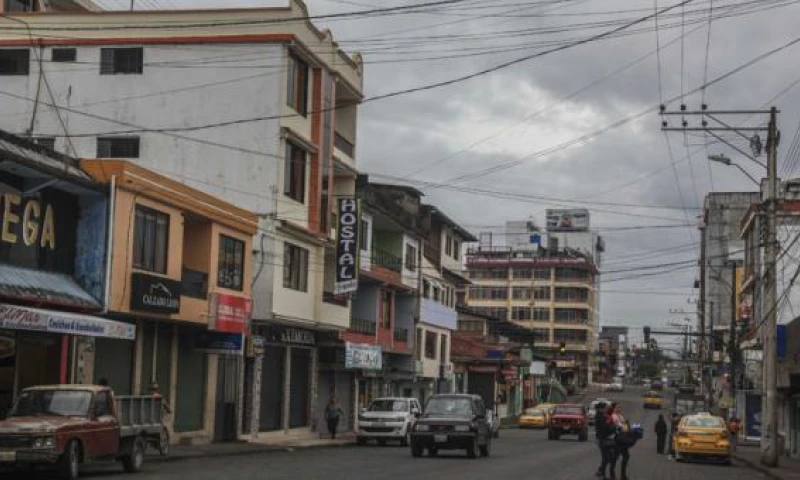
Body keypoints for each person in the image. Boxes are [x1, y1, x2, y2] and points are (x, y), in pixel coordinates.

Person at [608, 403, 631, 480]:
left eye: (620, 407)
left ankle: (623, 475)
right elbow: (618, 426)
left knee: (626, 457)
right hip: (616, 440)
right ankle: (612, 475)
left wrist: (627, 424)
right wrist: (624, 424)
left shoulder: (620, 416)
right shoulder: (613, 416)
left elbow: (624, 427)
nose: (619, 409)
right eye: (618, 407)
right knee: (614, 458)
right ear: (614, 408)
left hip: (623, 439)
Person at [594, 402, 615, 479]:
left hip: (605, 438)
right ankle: (602, 473)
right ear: (601, 409)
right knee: (606, 458)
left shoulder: (602, 415)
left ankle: (601, 471)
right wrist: (611, 425)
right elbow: (604, 428)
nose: (606, 409)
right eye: (605, 408)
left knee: (609, 457)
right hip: (603, 439)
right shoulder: (600, 417)